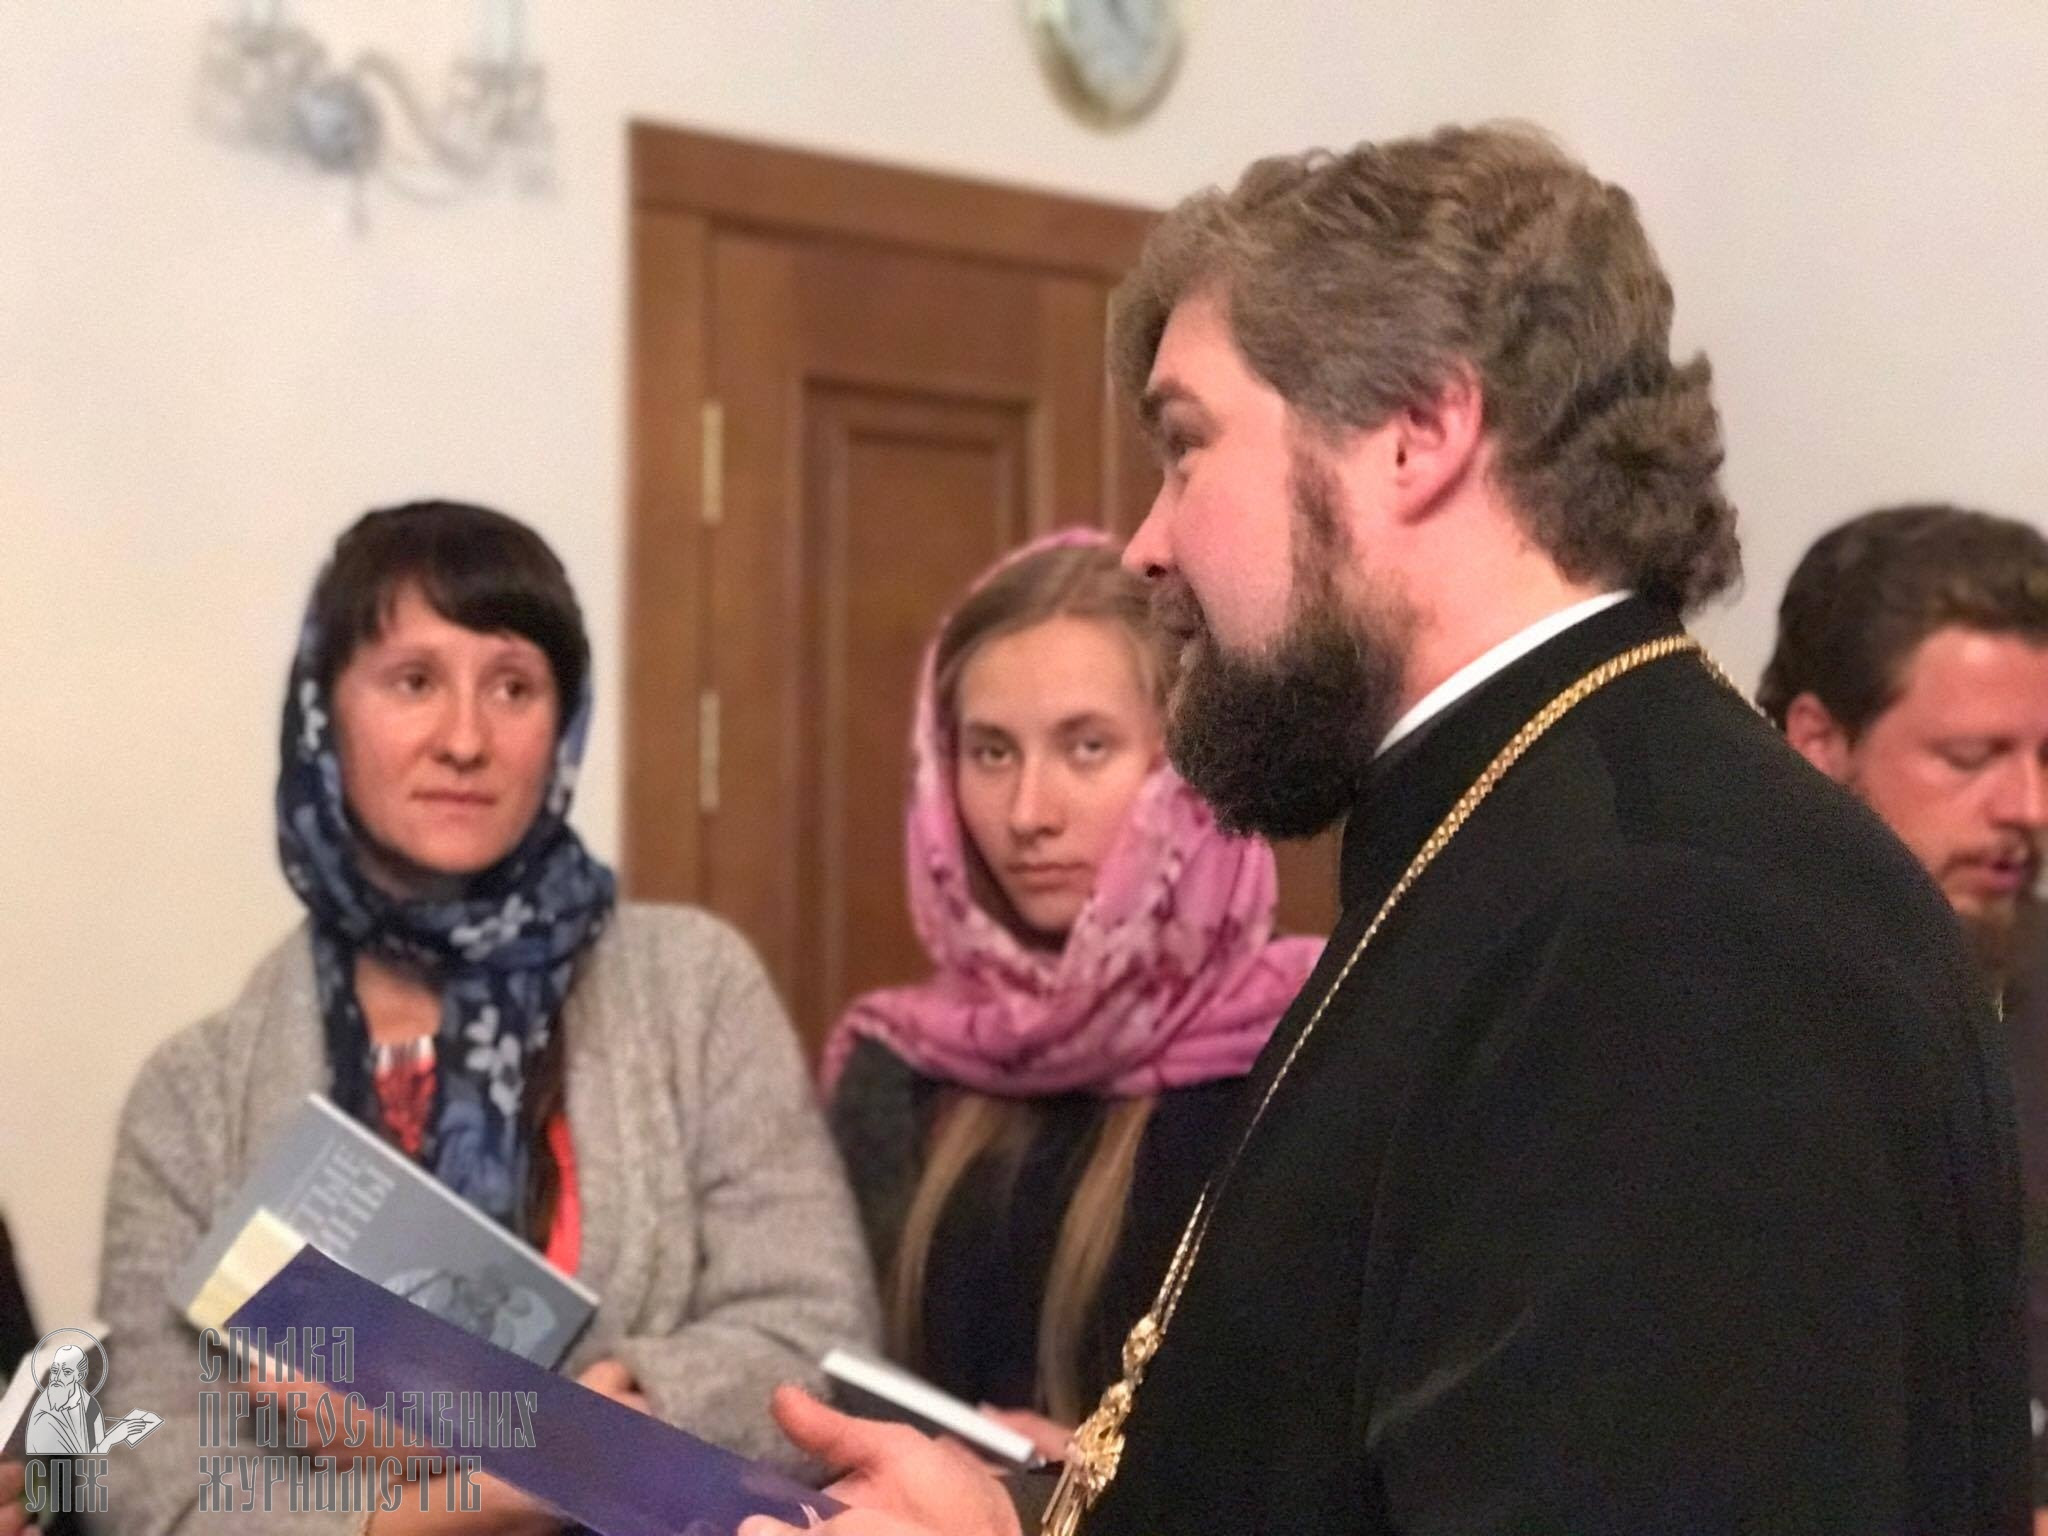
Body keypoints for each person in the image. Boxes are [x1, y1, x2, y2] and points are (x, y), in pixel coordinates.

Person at [739, 124, 2028, 1536]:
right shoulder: (1515, 829)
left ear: (1419, 431)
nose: (1148, 543)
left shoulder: (1666, 919)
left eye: (1187, 446)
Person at [97, 501, 877, 1536]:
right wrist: (487, 1493)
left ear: (564, 719)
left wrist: (490, 1431)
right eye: (414, 682)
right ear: (325, 714)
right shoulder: (191, 1095)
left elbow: (817, 1340)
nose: (465, 740)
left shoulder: (695, 989)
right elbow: (151, 1476)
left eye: (512, 687)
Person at [824, 531, 1319, 1456]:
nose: (1028, 814)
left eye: (1087, 748)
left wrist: (1099, 1493)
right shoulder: (898, 1064)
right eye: (990, 753)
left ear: (1186, 765)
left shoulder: (1310, 1045)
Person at [1759, 503, 2048, 1520]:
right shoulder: (1701, 1000)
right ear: (1817, 741)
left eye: (2046, 759)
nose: (2026, 808)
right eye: (1970, 758)